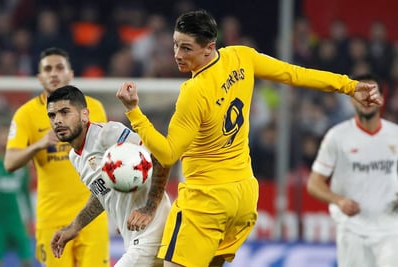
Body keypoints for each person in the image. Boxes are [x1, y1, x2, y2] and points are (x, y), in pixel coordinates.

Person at [116, 9, 383, 267]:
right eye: (175, 45)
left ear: (209, 47)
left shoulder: (194, 91)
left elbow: (167, 153)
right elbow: (294, 73)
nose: (177, 55)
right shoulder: (241, 57)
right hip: (243, 197)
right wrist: (348, 86)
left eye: (186, 48)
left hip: (206, 201)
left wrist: (134, 112)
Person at [4, 47, 110, 266]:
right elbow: (10, 163)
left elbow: (110, 159)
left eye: (59, 68)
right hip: (52, 218)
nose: (54, 73)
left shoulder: (93, 108)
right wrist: (39, 145)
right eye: (48, 69)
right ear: (40, 77)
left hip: (93, 215)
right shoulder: (26, 115)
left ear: (70, 74)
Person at [46, 85, 171, 267]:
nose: (57, 120)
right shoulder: (75, 157)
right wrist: (73, 228)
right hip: (136, 239)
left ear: (84, 114)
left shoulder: (107, 134)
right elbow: (102, 194)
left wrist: (149, 208)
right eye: (52, 115)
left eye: (65, 112)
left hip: (153, 234)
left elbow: (160, 156)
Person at [307, 73, 398, 267]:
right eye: (360, 93)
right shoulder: (337, 137)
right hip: (353, 230)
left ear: (381, 99)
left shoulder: (395, 136)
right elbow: (314, 183)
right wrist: (338, 200)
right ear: (351, 100)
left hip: (391, 229)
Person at [0, 125, 33, 267]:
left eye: (8, 136)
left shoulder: (22, 165)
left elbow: (25, 192)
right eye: (2, 136)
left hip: (16, 215)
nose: (5, 140)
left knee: (26, 252)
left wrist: (29, 217)